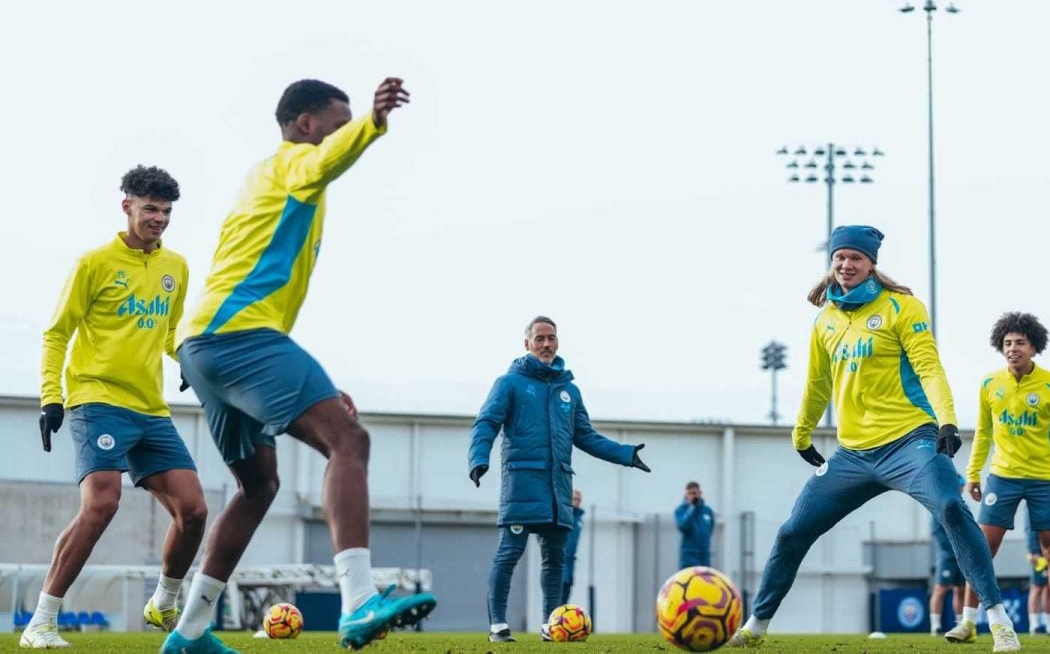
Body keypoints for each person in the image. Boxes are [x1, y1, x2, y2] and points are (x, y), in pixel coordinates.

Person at [163, 78, 436, 654]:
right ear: (306, 125)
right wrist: (371, 122)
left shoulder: (269, 180)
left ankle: (188, 632)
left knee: (258, 486)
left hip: (209, 344)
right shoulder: (291, 165)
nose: (337, 138)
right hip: (238, 337)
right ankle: (359, 600)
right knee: (348, 440)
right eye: (334, 127)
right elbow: (327, 162)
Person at [728, 225, 1020, 652]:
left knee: (953, 507)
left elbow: (929, 367)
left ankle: (999, 624)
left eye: (855, 258)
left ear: (871, 265)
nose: (846, 265)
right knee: (793, 532)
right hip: (853, 455)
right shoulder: (825, 320)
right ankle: (754, 626)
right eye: (839, 257)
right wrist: (801, 434)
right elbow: (816, 383)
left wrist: (947, 422)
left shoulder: (903, 307)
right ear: (832, 263)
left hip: (911, 441)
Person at [23, 166, 206, 649]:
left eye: (167, 212)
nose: (160, 219)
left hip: (150, 407)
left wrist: (185, 356)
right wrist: (51, 398)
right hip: (96, 400)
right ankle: (41, 622)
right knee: (103, 503)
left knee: (194, 510)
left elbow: (168, 333)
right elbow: (57, 333)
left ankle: (163, 602)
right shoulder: (94, 263)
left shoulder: (177, 268)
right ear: (127, 206)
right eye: (151, 209)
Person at [469, 316, 651, 643]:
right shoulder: (509, 383)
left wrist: (625, 454)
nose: (546, 344)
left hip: (558, 488)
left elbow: (586, 436)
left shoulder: (570, 391)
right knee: (509, 553)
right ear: (527, 344)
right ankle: (497, 624)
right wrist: (478, 458)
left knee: (555, 562)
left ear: (558, 342)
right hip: (522, 484)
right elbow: (486, 423)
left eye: (551, 338)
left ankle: (550, 625)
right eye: (539, 339)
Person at [946, 312, 1050, 646]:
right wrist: (974, 473)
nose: (1013, 348)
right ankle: (967, 623)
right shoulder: (989, 384)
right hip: (1002, 477)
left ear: (1033, 347)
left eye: (1020, 342)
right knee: (980, 550)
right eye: (1007, 343)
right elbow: (983, 432)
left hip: (1044, 479)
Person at [930, 474, 968, 636]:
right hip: (947, 555)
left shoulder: (963, 506)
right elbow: (937, 532)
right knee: (941, 588)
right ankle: (935, 625)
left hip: (962, 555)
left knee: (960, 589)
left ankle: (960, 624)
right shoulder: (940, 505)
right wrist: (952, 549)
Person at [675, 481, 715, 569]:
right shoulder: (681, 510)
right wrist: (692, 508)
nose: (693, 496)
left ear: (700, 493)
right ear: (686, 495)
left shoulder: (707, 511)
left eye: (695, 493)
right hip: (689, 559)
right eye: (690, 493)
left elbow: (710, 529)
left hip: (704, 558)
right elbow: (683, 526)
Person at [1025, 511, 1050, 636]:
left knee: (1049, 587)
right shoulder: (1032, 504)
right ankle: (1034, 625)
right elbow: (1029, 529)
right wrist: (1033, 550)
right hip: (1039, 552)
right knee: (1037, 586)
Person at [562, 490, 585, 603]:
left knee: (566, 596)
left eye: (578, 499)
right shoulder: (564, 515)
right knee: (557, 597)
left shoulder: (579, 518)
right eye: (574, 499)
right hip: (561, 562)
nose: (576, 502)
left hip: (570, 563)